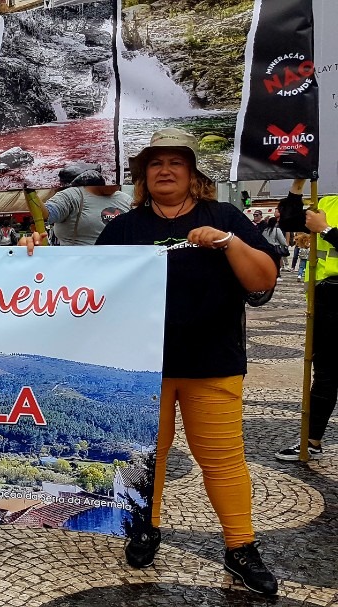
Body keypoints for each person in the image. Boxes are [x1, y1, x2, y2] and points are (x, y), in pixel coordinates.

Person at [94, 127, 278, 595]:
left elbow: (262, 280)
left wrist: (228, 243)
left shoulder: (226, 216)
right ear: (143, 175)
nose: (165, 170)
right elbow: (88, 289)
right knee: (144, 458)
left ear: (193, 172)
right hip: (140, 370)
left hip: (212, 363)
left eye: (176, 162)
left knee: (222, 460)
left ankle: (240, 548)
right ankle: (144, 526)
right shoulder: (123, 228)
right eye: (156, 163)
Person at [274, 179, 338, 460]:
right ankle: (311, 441)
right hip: (328, 298)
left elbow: (320, 229)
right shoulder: (328, 201)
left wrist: (325, 230)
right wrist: (297, 186)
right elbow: (289, 222)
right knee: (325, 374)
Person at [41, 170, 131, 246]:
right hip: (79, 263)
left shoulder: (126, 200)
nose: (117, 183)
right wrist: (29, 191)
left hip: (119, 264)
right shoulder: (72, 196)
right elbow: (45, 215)